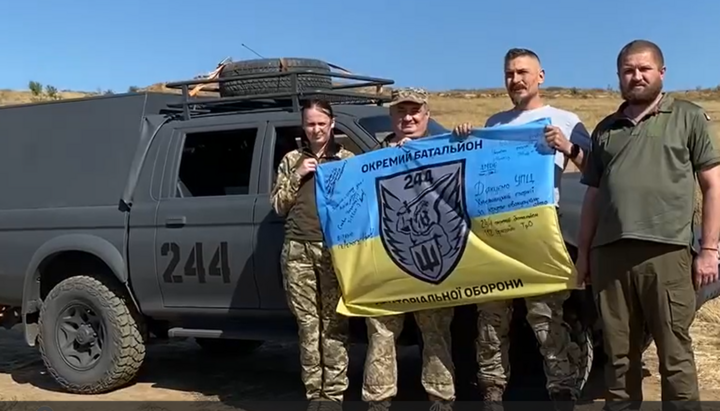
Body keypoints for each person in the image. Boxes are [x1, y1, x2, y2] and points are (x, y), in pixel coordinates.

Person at [576, 39, 720, 411]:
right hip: (610, 256)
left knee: (674, 355)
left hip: (667, 252)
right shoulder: (606, 129)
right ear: (619, 76)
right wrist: (584, 256)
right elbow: (593, 196)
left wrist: (708, 249)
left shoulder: (687, 116)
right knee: (619, 358)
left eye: (644, 69)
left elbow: (712, 184)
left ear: (661, 72)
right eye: (628, 70)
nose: (636, 76)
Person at [452, 48, 592, 410]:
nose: (516, 79)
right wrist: (464, 138)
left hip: (540, 238)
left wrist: (569, 147)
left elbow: (598, 171)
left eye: (523, 72)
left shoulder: (565, 119)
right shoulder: (495, 124)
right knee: (491, 320)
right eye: (510, 73)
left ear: (540, 76)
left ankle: (562, 389)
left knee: (547, 317)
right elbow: (473, 172)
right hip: (496, 241)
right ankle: (492, 391)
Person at [362, 87, 456, 411]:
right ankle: (379, 402)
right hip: (386, 262)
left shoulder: (443, 150)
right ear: (392, 116)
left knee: (436, 334)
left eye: (414, 110)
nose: (408, 117)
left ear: (426, 114)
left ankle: (441, 400)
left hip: (431, 261)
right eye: (401, 112)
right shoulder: (372, 157)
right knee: (382, 335)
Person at [270, 98, 355, 411]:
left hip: (333, 251)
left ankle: (333, 396)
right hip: (297, 250)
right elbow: (278, 205)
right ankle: (314, 396)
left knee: (334, 325)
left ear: (331, 123)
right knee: (308, 326)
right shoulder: (292, 159)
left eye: (321, 123)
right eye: (310, 124)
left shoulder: (346, 159)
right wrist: (298, 175)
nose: (316, 129)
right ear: (303, 127)